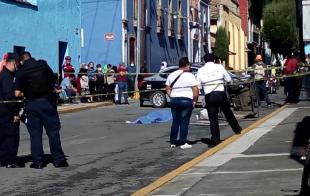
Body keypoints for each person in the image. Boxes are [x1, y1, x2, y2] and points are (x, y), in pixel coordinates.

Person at [15, 51, 68, 169]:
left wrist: (27, 92)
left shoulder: (21, 72)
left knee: (35, 135)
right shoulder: (43, 64)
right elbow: (52, 79)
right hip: (47, 102)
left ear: (21, 61)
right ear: (30, 57)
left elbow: (17, 93)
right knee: (53, 133)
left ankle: (38, 161)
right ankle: (59, 160)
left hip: (32, 104)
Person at [197, 53, 242, 147]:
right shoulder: (219, 67)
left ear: (204, 61)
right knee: (227, 112)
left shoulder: (200, 70)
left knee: (213, 119)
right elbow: (228, 79)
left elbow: (198, 85)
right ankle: (237, 129)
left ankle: (216, 139)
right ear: (213, 60)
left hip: (209, 95)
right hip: (220, 93)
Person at [166, 57, 199, 149]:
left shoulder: (171, 75)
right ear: (187, 65)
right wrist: (195, 100)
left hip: (174, 99)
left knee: (175, 121)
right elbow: (195, 90)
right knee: (184, 122)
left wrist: (171, 97)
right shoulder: (190, 76)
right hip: (186, 100)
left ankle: (173, 141)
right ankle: (183, 142)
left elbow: (168, 89)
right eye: (189, 65)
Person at [0, 53, 23, 168]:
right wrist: (15, 113)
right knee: (11, 136)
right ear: (13, 63)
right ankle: (10, 160)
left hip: (2, 111)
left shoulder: (2, 74)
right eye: (16, 65)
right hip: (7, 112)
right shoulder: (7, 77)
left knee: (2, 136)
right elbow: (10, 96)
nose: (16, 67)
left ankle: (3, 159)